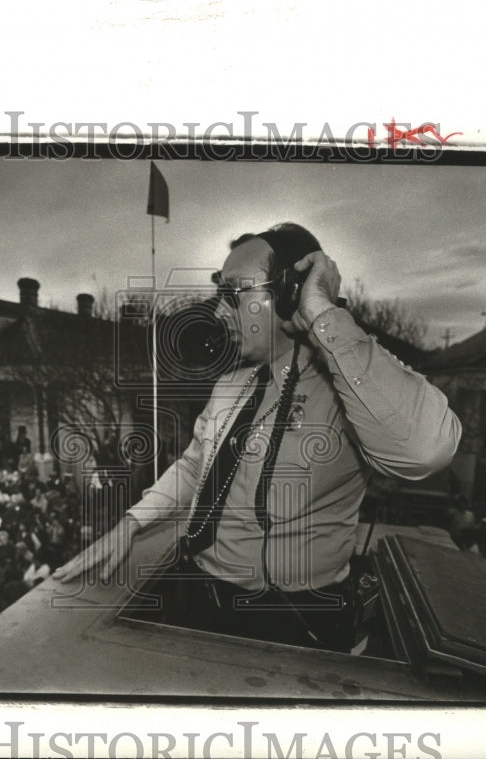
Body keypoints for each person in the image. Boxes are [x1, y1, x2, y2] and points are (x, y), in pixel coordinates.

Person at [55, 223, 461, 653]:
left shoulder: (353, 378)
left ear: (288, 294)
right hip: (201, 594)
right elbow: (196, 466)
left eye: (234, 293)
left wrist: (323, 313)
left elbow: (427, 453)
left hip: (294, 619)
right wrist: (133, 522)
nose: (218, 311)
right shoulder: (231, 383)